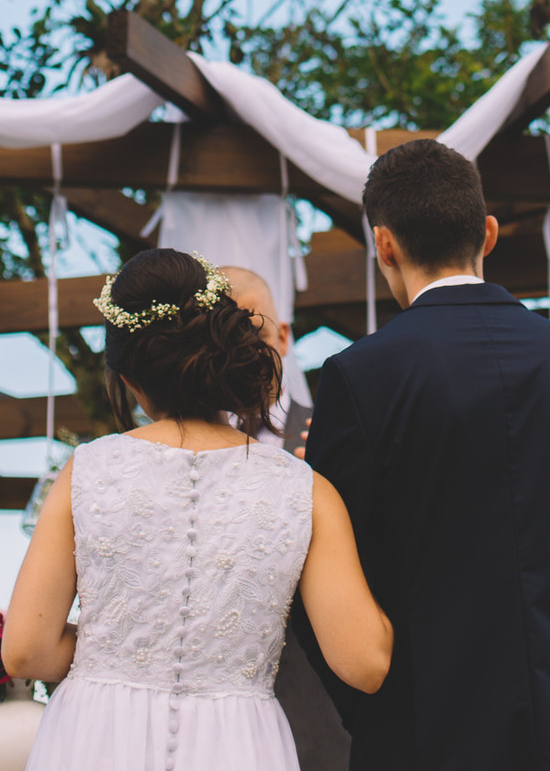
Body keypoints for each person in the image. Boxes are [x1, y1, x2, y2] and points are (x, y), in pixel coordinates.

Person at [299, 138, 550, 771]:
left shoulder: (358, 377)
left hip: (423, 725)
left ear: (384, 245)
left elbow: (339, 562)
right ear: (488, 233)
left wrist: (376, 709)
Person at [3, 248, 392, 771]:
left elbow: (26, 651)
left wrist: (121, 648)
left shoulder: (88, 470)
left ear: (127, 378)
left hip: (95, 736)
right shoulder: (306, 490)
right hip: (239, 744)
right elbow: (364, 663)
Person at [222, 264, 352, 771]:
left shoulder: (333, 436)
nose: (244, 349)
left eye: (253, 330)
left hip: (316, 706)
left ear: (283, 334)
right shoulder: (175, 449)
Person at [219, 265, 312, 454]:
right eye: (229, 340)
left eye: (257, 335)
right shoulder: (183, 441)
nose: (245, 352)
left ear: (283, 339)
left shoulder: (322, 432)